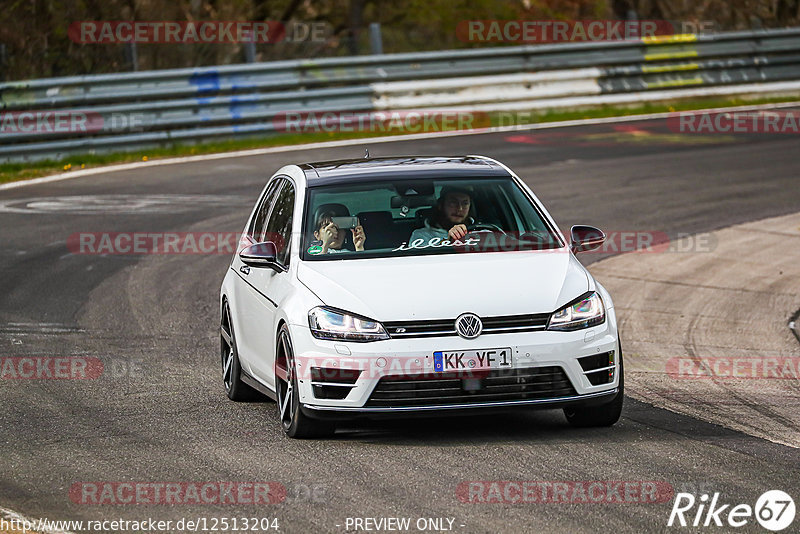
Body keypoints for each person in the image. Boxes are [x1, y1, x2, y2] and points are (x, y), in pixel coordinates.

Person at [408, 186, 474, 244]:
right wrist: (450, 242)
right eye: (453, 202)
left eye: (465, 203)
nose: (460, 208)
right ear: (440, 205)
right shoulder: (421, 235)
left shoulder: (478, 231)